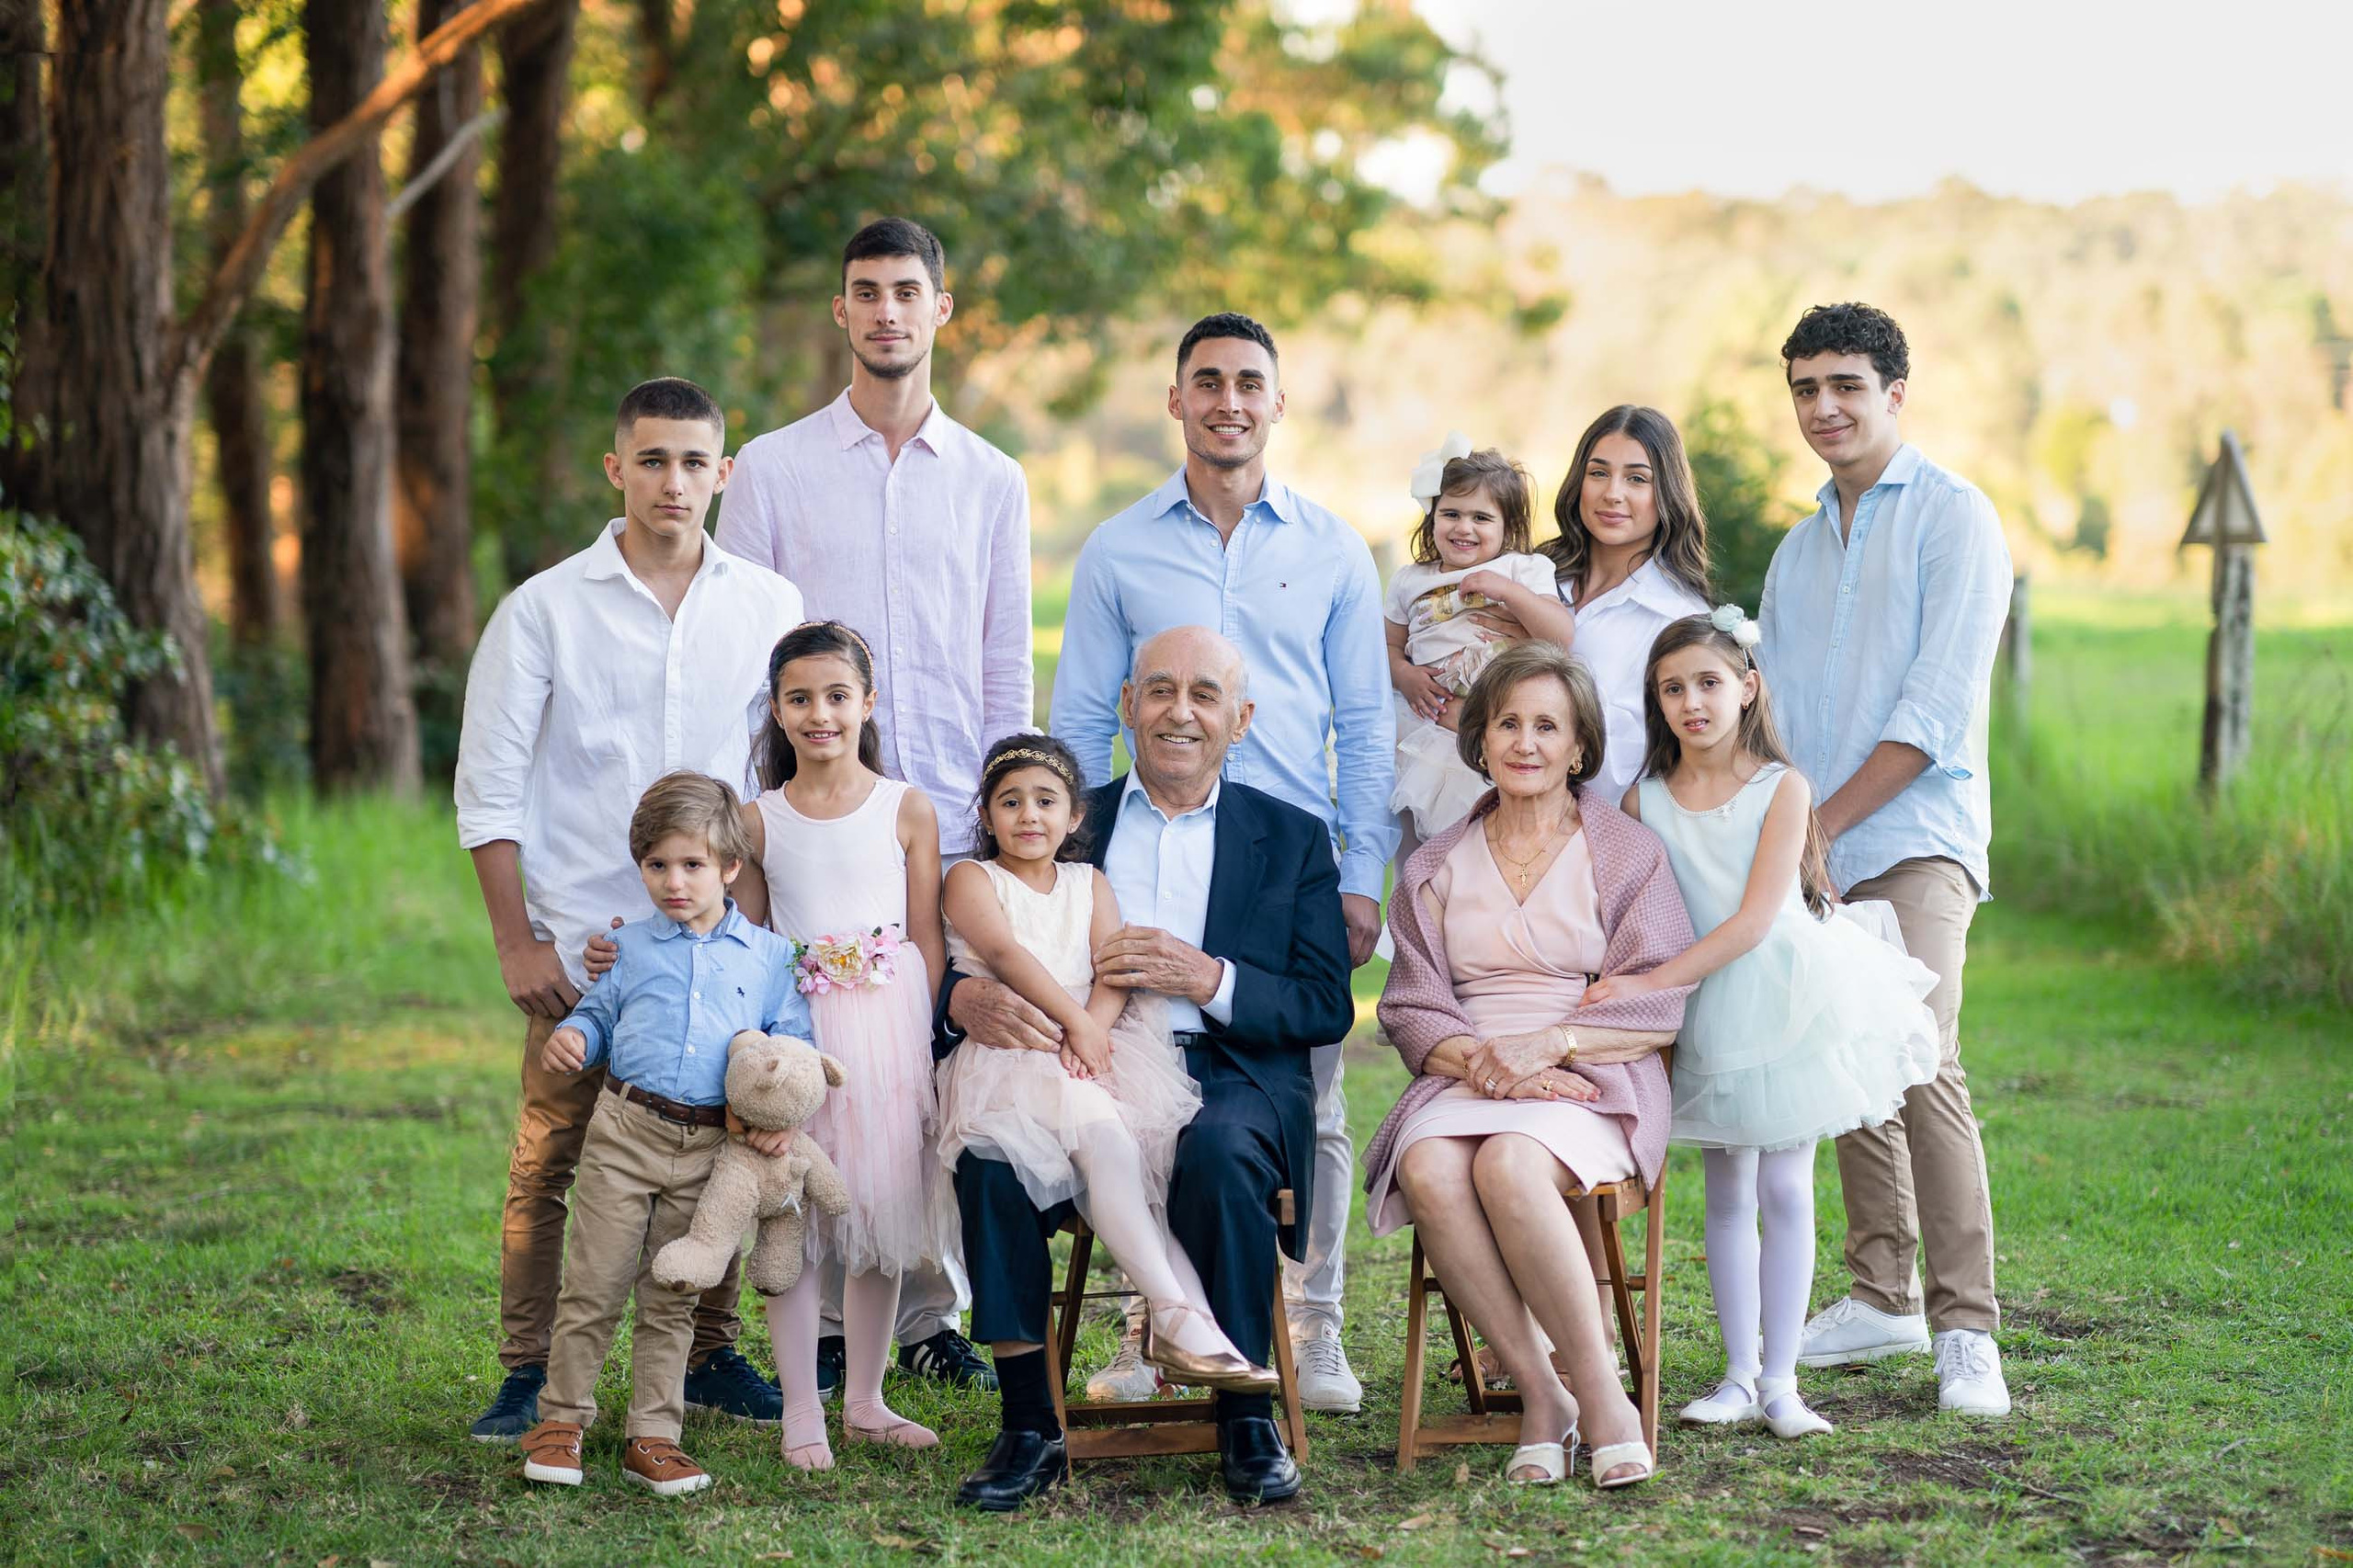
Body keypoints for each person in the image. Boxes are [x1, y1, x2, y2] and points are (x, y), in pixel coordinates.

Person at [1050, 312, 1393, 1413]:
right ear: (1177, 400)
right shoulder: (1118, 545)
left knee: (1308, 1110)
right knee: (1128, 1089)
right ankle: (1146, 1329)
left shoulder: (1332, 546)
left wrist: (1360, 871)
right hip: (1146, 846)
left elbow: (1365, 722)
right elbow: (1076, 714)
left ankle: (1315, 1327)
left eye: (1250, 382)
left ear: (1277, 404)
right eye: (1208, 381)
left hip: (1284, 865)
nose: (1229, 401)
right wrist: (1065, 870)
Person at [454, 378, 804, 1441]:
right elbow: (489, 783)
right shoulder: (544, 608)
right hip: (585, 947)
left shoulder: (768, 606)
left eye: (695, 460)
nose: (674, 480)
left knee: (713, 1149)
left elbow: (772, 777)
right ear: (617, 469)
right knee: (551, 1156)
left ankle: (705, 1352)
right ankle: (527, 1370)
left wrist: (754, 932)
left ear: (723, 473)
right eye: (652, 459)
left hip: (713, 945)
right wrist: (519, 938)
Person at [716, 215, 1029, 1393]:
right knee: (822, 1064)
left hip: (942, 806)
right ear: (840, 312)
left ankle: (922, 1304)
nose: (888, 310)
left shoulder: (993, 479)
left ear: (943, 309)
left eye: (909, 289)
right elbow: (749, 651)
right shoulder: (777, 468)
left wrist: (1005, 822)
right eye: (866, 291)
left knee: (922, 1064)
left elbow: (1005, 664)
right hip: (810, 819)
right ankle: (824, 1310)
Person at [946, 628, 1353, 1509]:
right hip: (1066, 1060)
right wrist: (957, 1000)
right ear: (1127, 706)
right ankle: (1028, 1425)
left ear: (1240, 720)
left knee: (1217, 1151)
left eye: (1205, 694)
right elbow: (981, 932)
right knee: (990, 1165)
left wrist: (1209, 978)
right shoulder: (1058, 815)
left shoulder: (1290, 838)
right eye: (1159, 690)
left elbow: (1325, 1004)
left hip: (1228, 1068)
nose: (1179, 711)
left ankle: (1245, 1412)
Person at [1594, 610, 1938, 1439]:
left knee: (1784, 1186)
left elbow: (1753, 921)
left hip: (1783, 997)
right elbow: (1648, 910)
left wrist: (1647, 983)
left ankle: (1784, 1381)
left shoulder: (1783, 788)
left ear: (1747, 689)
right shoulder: (1644, 799)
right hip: (1707, 1005)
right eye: (1672, 689)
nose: (1691, 702)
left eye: (1708, 683)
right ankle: (1739, 1372)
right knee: (1724, 1191)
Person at [1759, 302, 2016, 1417]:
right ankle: (1878, 1292)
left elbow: (1936, 707)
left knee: (1917, 1055)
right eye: (1806, 389)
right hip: (1813, 844)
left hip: (1914, 838)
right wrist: (1787, 828)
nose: (1825, 408)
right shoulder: (1797, 545)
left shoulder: (1956, 520)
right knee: (1844, 1064)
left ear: (1894, 394)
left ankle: (1967, 1327)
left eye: (1846, 386)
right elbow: (1769, 709)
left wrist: (1824, 822)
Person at [1365, 642, 1696, 1487]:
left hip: (1590, 1068)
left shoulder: (1627, 852)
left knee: (1511, 1163)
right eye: (1508, 722)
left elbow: (1657, 1007)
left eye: (1547, 726)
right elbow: (1408, 1008)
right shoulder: (1436, 861)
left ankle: (1603, 1397)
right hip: (1466, 1067)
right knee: (1431, 1165)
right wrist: (1486, 1062)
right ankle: (1544, 1397)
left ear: (1579, 746)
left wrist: (1549, 1048)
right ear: (1481, 739)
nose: (1525, 742)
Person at [935, 733, 1272, 1403]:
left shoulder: (1090, 883)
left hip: (1087, 1052)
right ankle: (1182, 1321)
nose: (1029, 816)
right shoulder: (972, 878)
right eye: (1010, 802)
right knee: (1113, 1144)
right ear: (987, 813)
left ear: (1075, 817)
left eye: (1046, 801)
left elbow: (1113, 966)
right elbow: (1004, 954)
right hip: (1014, 1058)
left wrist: (1097, 1020)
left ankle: (1188, 1326)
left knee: (1137, 1179)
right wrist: (1079, 1024)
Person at [517, 774, 813, 1498]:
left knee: (674, 1292)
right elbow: (598, 1016)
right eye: (657, 866)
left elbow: (790, 1045)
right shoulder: (628, 948)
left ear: (730, 868)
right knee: (594, 1283)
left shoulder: (771, 958)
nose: (674, 882)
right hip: (625, 1132)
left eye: (693, 865)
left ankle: (654, 1434)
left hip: (712, 1148)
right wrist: (573, 1040)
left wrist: (780, 1120)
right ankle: (561, 1419)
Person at [734, 619, 959, 1470]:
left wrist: (930, 1038)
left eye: (837, 696)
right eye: (800, 699)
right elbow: (753, 941)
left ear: (867, 702)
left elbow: (928, 937)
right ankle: (802, 1407)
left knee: (880, 1210)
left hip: (890, 1030)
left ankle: (866, 1396)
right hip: (799, 1036)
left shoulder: (905, 807)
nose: (820, 714)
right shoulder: (760, 820)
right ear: (779, 711)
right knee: (789, 1211)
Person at [1386, 438, 1574, 850]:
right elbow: (1387, 646)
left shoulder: (1523, 569)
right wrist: (1405, 675)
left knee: (1489, 844)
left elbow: (1561, 636)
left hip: (1500, 738)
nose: (1464, 527)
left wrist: (1509, 592)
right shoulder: (1410, 579)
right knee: (1423, 844)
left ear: (1508, 526)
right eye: (1450, 513)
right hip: (1430, 732)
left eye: (1481, 517)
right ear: (1431, 517)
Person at [1536, 406, 1714, 805]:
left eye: (1637, 478)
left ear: (1666, 492)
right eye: (1598, 473)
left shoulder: (1680, 619)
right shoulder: (1533, 580)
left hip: (1606, 840)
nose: (1612, 493)